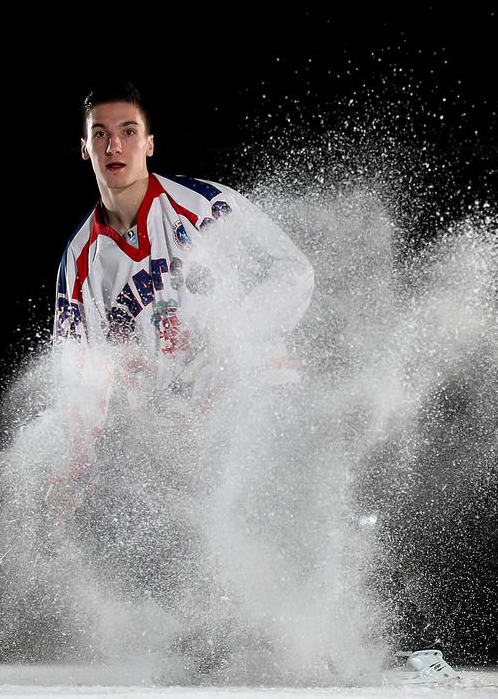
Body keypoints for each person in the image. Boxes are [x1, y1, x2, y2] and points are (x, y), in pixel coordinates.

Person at [48, 79, 316, 509]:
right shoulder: (79, 264)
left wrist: (233, 337)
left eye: (128, 132)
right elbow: (78, 373)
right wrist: (78, 459)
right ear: (85, 148)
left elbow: (294, 272)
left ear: (149, 143)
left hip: (258, 403)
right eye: (101, 133)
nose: (115, 145)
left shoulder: (205, 206)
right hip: (180, 449)